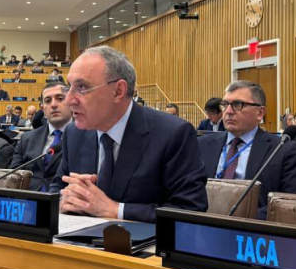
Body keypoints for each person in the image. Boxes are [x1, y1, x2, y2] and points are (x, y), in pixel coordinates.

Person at [50, 46, 208, 222]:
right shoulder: (74, 133)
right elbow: (57, 187)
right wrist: (64, 201)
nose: (69, 100)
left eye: (82, 87)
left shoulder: (173, 134)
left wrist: (115, 210)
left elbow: (190, 210)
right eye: (69, 87)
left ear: (118, 91)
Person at [197, 81, 296, 219]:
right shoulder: (202, 144)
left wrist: (240, 219)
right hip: (202, 223)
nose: (228, 111)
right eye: (225, 104)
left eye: (238, 104)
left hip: (252, 228)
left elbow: (290, 204)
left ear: (260, 113)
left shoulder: (283, 150)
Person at [10, 83, 73, 191]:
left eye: (60, 98)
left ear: (71, 102)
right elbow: (14, 177)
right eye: (48, 101)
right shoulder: (26, 139)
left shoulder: (88, 137)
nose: (53, 105)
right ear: (43, 109)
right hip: (29, 198)